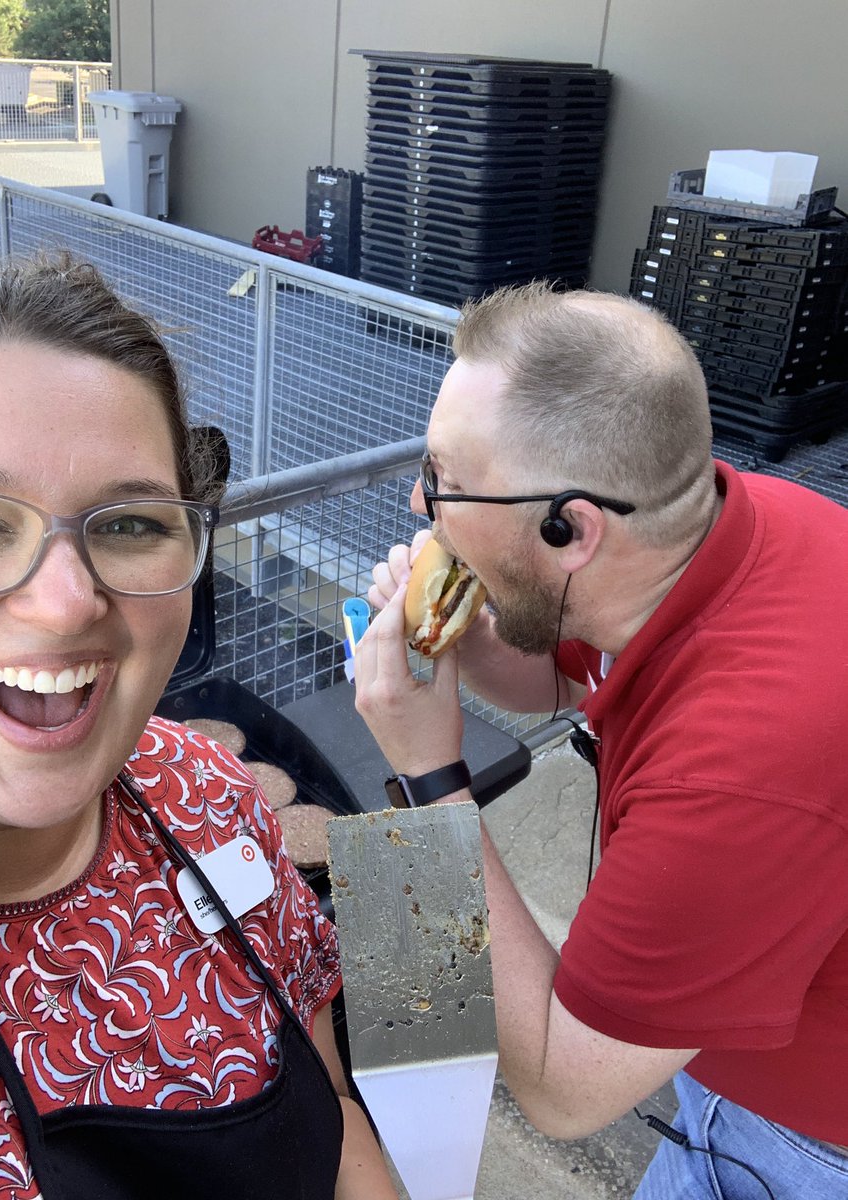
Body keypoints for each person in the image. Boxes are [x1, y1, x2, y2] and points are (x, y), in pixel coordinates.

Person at [353, 281, 848, 1199]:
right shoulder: (700, 530)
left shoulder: (735, 772)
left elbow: (562, 1088)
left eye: (447, 478)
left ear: (567, 528)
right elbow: (560, 674)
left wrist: (426, 777)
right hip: (731, 1049)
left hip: (804, 1143)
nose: (421, 499)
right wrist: (465, 635)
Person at [0, 254, 399, 1200]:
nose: (69, 602)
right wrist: (429, 776)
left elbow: (363, 1110)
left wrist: (423, 759)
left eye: (129, 523)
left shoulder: (202, 788)